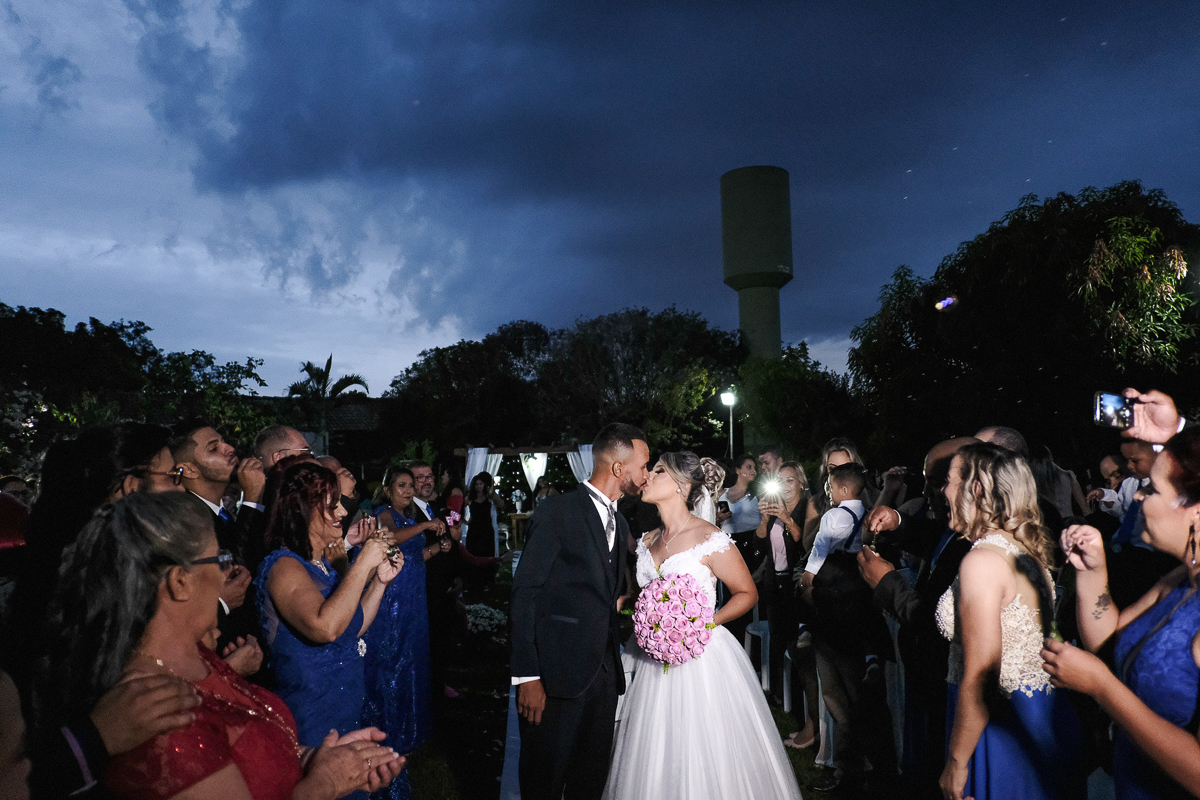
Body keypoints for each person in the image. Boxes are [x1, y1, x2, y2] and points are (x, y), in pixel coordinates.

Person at [38, 492, 404, 799]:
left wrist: (316, 759)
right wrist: (326, 783)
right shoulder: (156, 713)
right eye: (220, 559)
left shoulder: (199, 660)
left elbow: (251, 756)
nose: (228, 572)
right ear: (180, 582)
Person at [601, 451, 802, 800]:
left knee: (702, 746)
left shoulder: (709, 537)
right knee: (649, 748)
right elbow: (643, 596)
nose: (647, 475)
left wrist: (700, 623)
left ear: (681, 486)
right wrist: (632, 607)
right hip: (650, 659)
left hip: (702, 656)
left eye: (658, 471)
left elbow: (746, 593)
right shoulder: (648, 540)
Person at [1042, 424, 1200, 799]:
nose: (1139, 496)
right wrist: (1092, 572)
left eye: (1153, 489)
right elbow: (1111, 642)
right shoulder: (1181, 578)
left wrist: (1102, 687)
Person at [509, 423, 649, 800]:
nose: (646, 475)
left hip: (602, 678)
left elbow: (606, 596)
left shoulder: (620, 523)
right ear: (619, 468)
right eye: (643, 465)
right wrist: (527, 677)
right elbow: (525, 594)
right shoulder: (558, 512)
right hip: (554, 678)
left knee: (591, 781)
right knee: (545, 780)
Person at [936, 443, 1084, 800]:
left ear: (976, 489)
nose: (943, 491)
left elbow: (982, 673)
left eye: (949, 480)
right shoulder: (1021, 548)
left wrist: (957, 763)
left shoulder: (982, 561)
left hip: (1000, 724)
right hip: (1040, 713)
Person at [856, 437, 978, 799]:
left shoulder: (982, 549)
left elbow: (943, 622)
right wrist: (896, 519)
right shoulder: (953, 528)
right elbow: (934, 539)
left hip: (949, 685)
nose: (928, 490)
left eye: (938, 480)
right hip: (927, 677)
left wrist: (888, 583)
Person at [256, 461, 400, 747]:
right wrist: (363, 563)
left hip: (344, 711)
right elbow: (325, 628)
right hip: (312, 718)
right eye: (333, 505)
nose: (344, 512)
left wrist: (380, 583)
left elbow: (351, 627)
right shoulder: (282, 566)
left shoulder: (322, 566)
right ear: (303, 509)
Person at [366, 465, 447, 798]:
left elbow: (412, 557)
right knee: (395, 662)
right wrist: (426, 525)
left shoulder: (407, 515)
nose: (409, 490)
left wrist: (434, 550)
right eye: (402, 486)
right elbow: (392, 541)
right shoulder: (384, 514)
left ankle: (411, 728)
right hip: (393, 604)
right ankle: (391, 729)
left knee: (413, 660)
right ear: (388, 490)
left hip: (413, 601)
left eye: (411, 486)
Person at [754, 461, 811, 710]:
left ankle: (800, 698)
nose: (786, 486)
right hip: (774, 582)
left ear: (801, 482)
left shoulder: (807, 508)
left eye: (790, 480)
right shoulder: (776, 507)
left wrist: (786, 518)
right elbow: (759, 545)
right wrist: (766, 519)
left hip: (795, 583)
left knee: (797, 643)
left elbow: (804, 544)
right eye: (781, 480)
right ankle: (778, 694)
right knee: (777, 640)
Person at [464, 471, 504, 559]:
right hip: (474, 530)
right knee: (473, 555)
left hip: (486, 530)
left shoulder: (489, 496)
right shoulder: (470, 497)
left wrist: (493, 491)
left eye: (480, 484)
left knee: (487, 555)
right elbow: (458, 508)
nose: (478, 486)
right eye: (476, 484)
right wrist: (464, 521)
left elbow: (501, 504)